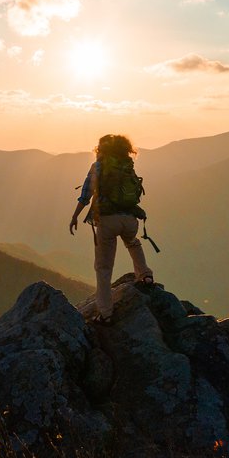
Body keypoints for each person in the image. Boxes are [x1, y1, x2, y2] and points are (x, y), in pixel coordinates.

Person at [69, 134, 154, 325]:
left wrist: (75, 216)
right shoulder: (127, 165)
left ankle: (105, 313)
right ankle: (146, 275)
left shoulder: (98, 166)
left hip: (108, 221)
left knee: (104, 267)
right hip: (130, 219)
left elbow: (85, 196)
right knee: (133, 243)